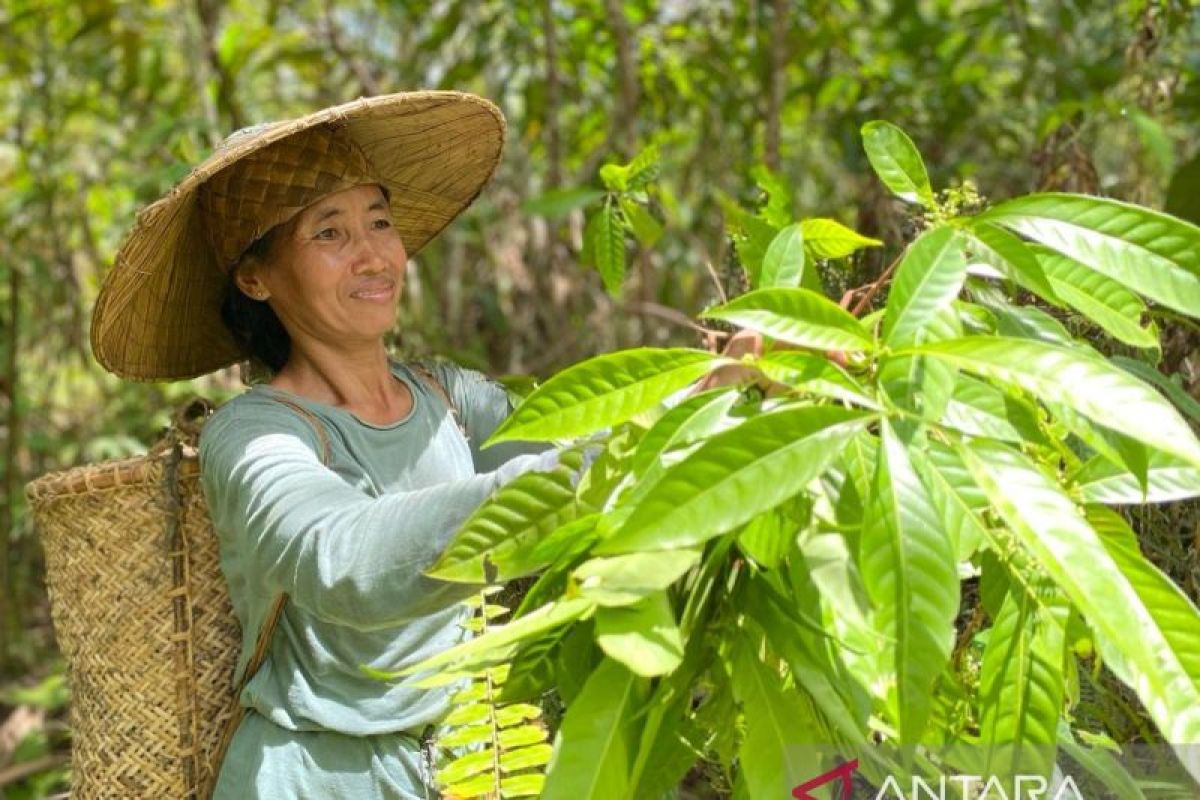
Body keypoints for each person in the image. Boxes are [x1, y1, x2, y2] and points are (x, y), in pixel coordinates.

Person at [90, 92, 603, 800]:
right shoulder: (253, 436)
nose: (373, 256)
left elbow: (585, 448)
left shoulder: (453, 400)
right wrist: (578, 475)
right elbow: (344, 560)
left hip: (464, 765)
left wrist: (707, 405)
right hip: (311, 778)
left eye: (380, 222)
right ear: (256, 277)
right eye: (329, 234)